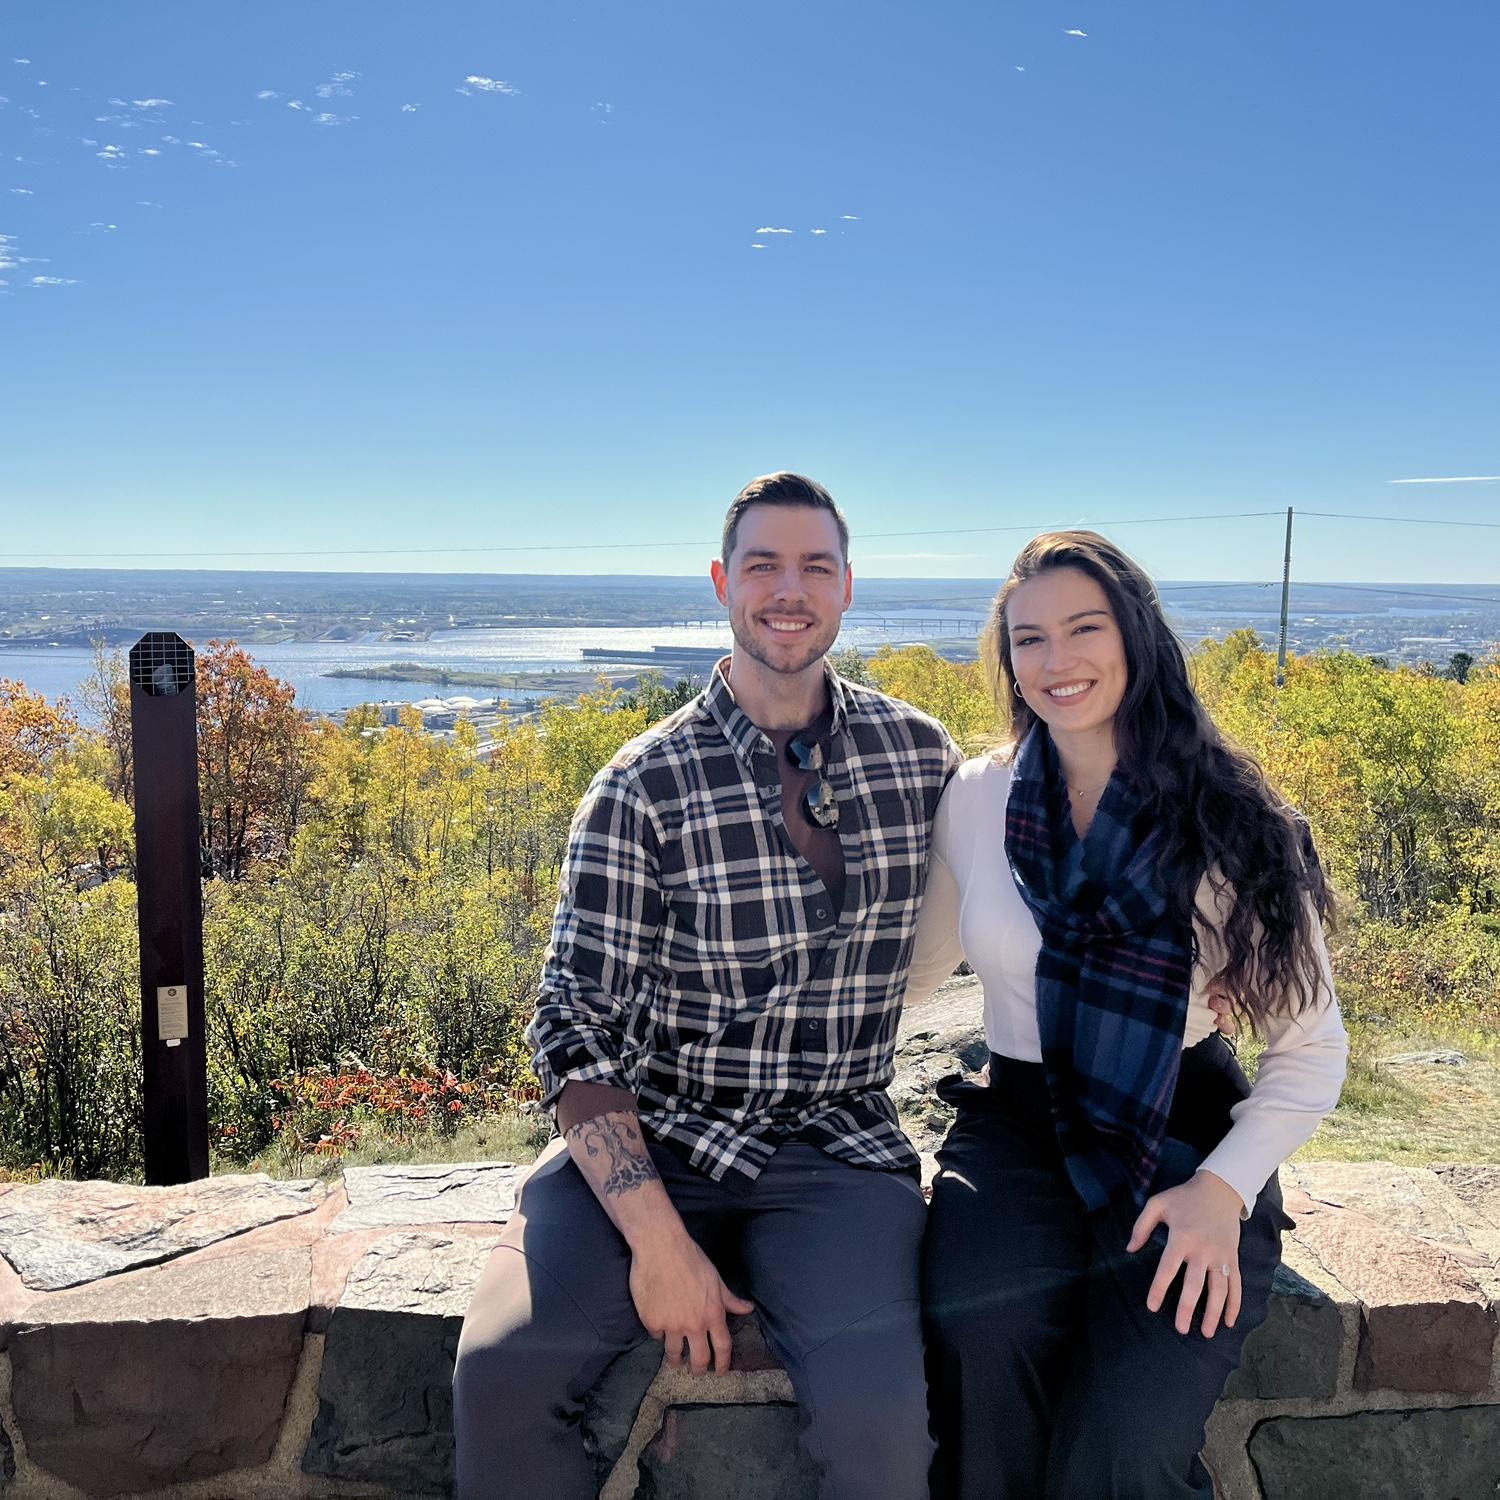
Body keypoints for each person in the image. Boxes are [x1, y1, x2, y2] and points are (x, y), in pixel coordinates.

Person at [452, 473, 963, 1499]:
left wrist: (1203, 966)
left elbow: (1039, 855)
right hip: (657, 1139)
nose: (790, 588)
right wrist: (659, 1244)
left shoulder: (918, 758)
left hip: (836, 1149)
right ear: (724, 582)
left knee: (884, 1431)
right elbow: (571, 1024)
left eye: (815, 566)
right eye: (765, 565)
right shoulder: (644, 784)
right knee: (500, 1374)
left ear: (848, 588)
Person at [906, 530, 1348, 1500]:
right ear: (1006, 660)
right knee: (980, 1360)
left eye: (1083, 628)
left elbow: (1312, 1051)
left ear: (1137, 637)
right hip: (1015, 1130)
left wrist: (1223, 1192)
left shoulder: (1230, 818)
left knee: (1123, 1449)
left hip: (1180, 1133)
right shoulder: (977, 801)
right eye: (1028, 640)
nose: (1056, 661)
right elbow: (914, 971)